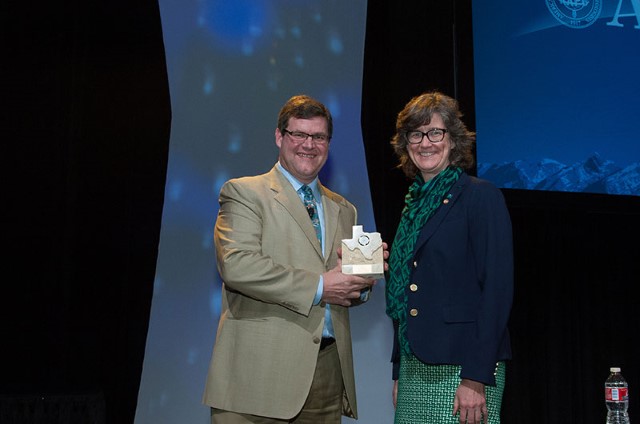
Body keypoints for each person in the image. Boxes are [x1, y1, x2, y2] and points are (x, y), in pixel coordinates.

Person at [203, 94, 388, 423]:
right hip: (257, 376)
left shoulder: (344, 209)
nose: (309, 145)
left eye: (319, 137)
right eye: (299, 134)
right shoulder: (245, 192)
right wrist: (321, 286)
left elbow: (345, 288)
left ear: (328, 143)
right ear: (279, 136)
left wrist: (362, 281)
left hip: (326, 375)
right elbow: (237, 265)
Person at [385, 91, 514, 424]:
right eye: (416, 134)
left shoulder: (480, 196)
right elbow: (407, 294)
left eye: (435, 132)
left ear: (453, 140)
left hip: (464, 370)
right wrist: (399, 369)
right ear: (406, 144)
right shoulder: (412, 207)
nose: (425, 143)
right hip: (414, 366)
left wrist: (475, 377)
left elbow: (497, 290)